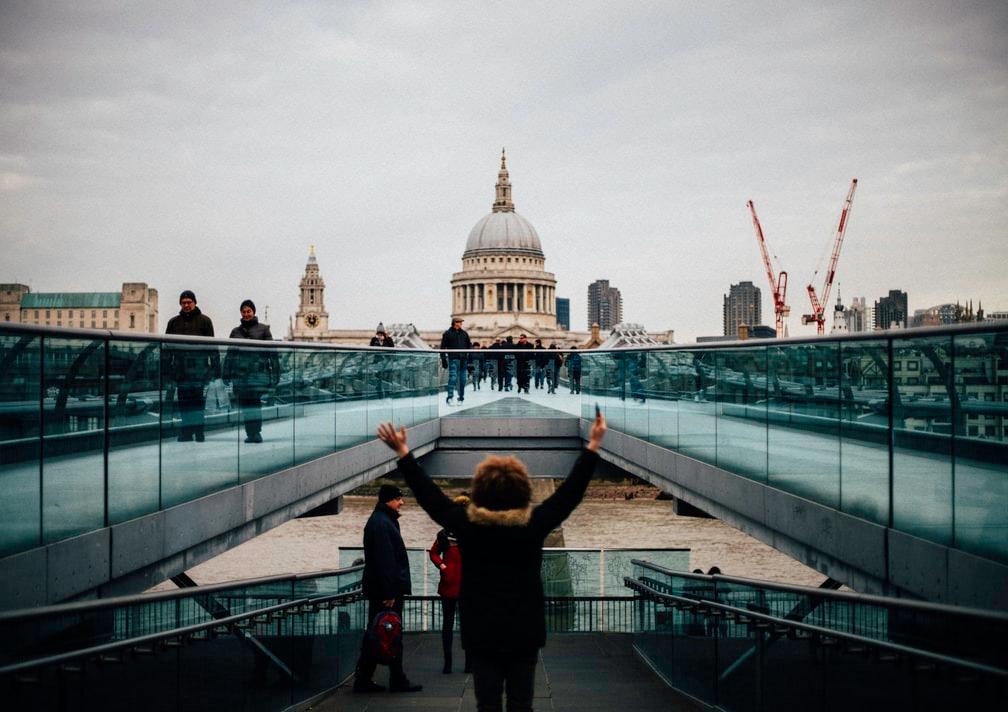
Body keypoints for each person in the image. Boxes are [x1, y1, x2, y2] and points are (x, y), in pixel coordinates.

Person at [376, 411, 607, 712]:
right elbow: (569, 495)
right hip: (525, 632)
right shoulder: (533, 525)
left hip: (481, 631)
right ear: (523, 491)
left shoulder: (468, 525)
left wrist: (403, 453)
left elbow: (430, 496)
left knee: (487, 704)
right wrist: (593, 445)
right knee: (522, 704)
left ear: (480, 491)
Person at [353, 484, 422, 694]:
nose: (402, 502)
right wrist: (389, 592)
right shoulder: (383, 523)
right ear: (388, 500)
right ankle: (391, 679)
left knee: (380, 632)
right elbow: (386, 560)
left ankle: (369, 678)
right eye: (399, 498)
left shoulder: (381, 520)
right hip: (386, 592)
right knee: (387, 632)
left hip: (381, 588)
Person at [165, 290, 218, 442]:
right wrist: (167, 369)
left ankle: (198, 431)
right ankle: (188, 432)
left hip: (199, 371)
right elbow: (167, 348)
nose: (186, 305)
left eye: (189, 302)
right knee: (184, 402)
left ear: (195, 303)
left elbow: (212, 346)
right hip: (181, 370)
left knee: (197, 402)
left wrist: (215, 370)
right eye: (184, 302)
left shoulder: (205, 321)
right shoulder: (173, 322)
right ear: (180, 304)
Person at [225, 299, 278, 443]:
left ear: (254, 312)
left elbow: (272, 352)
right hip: (240, 375)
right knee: (245, 404)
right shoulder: (235, 331)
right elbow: (230, 353)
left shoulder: (264, 329)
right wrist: (226, 373)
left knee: (254, 403)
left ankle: (256, 433)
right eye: (244, 311)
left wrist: (276, 374)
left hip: (257, 374)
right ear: (241, 313)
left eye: (249, 311)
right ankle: (251, 433)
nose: (246, 314)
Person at [428, 495, 471, 675]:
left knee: (454, 625)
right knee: (456, 625)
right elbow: (434, 553)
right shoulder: (445, 534)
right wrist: (443, 565)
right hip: (452, 584)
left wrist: (442, 565)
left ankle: (459, 664)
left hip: (463, 585)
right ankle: (457, 663)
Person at [440, 318, 472, 405]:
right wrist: (443, 359)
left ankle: (461, 398)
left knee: (462, 380)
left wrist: (470, 359)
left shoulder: (464, 334)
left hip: (463, 360)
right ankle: (450, 397)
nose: (461, 324)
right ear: (455, 323)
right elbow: (442, 347)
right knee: (453, 378)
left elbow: (469, 346)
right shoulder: (447, 334)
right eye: (460, 322)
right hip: (453, 358)